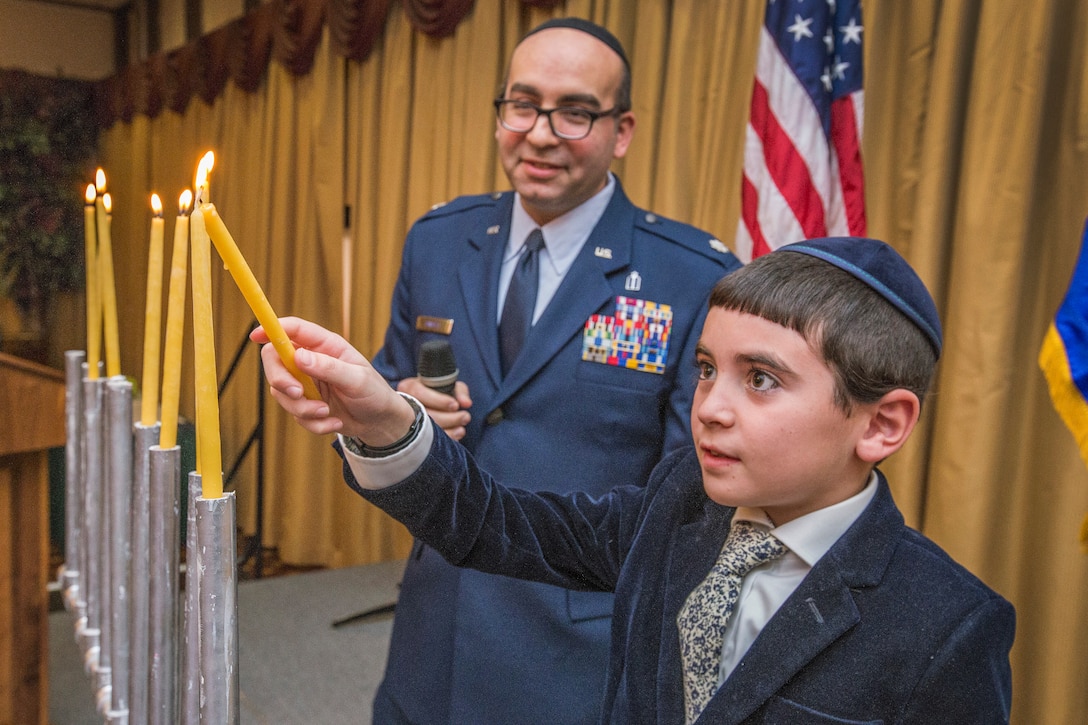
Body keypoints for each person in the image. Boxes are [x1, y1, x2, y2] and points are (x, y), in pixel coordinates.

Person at [254, 236, 1015, 723]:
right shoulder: (679, 502)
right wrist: (381, 417)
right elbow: (489, 519)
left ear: (881, 423)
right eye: (708, 369)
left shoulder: (945, 626)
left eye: (761, 380)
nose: (710, 408)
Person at [357, 15, 740, 724]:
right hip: (430, 640)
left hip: (577, 661)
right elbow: (384, 405)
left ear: (620, 131)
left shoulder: (691, 277)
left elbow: (692, 501)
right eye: (523, 104)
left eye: (574, 113)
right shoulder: (439, 241)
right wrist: (396, 414)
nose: (538, 132)